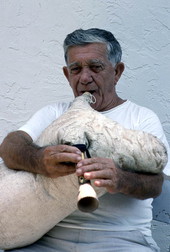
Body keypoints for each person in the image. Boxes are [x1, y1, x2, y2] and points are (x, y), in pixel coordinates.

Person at [0, 28, 170, 252]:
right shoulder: (55, 112)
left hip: (122, 241)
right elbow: (10, 146)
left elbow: (156, 184)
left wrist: (120, 179)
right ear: (66, 74)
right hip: (48, 240)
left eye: (95, 67)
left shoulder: (141, 118)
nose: (85, 77)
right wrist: (38, 159)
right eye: (76, 69)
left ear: (117, 72)